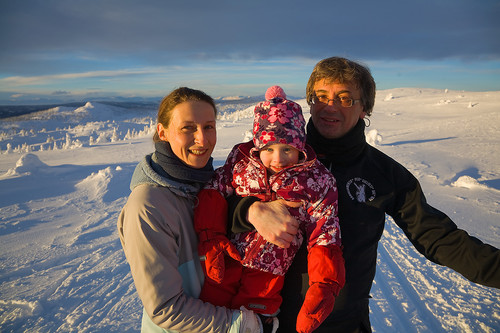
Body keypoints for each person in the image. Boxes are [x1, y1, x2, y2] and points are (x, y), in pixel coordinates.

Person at [229, 57, 500, 332]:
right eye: (321, 96)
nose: (329, 106)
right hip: (266, 319)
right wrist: (249, 211)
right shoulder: (271, 153)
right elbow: (205, 206)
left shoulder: (384, 174)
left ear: (364, 109)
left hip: (344, 324)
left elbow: (438, 237)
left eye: (345, 98)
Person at [193, 86, 345, 333]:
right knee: (211, 309)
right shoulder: (241, 162)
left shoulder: (315, 181)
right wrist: (211, 239)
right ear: (258, 146)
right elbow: (214, 192)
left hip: (269, 272)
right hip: (227, 257)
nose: (278, 159)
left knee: (255, 319)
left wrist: (324, 284)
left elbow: (325, 232)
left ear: (300, 147)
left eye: (287, 149)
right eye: (269, 150)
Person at [117, 87, 264, 333]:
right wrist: (242, 324)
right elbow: (165, 308)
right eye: (188, 128)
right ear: (162, 133)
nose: (203, 140)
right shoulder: (148, 206)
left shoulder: (209, 187)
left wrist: (251, 210)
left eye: (208, 127)